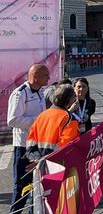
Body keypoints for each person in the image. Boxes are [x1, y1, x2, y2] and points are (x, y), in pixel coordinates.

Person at [7, 64, 49, 214]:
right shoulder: (20, 94)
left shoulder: (41, 92)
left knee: (36, 186)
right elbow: (12, 120)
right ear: (35, 76)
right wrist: (38, 120)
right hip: (24, 147)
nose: (49, 78)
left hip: (38, 146)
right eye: (46, 75)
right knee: (21, 187)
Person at [25, 84, 80, 160]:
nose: (75, 99)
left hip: (39, 163)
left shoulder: (42, 116)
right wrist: (46, 159)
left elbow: (31, 141)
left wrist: (37, 159)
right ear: (70, 99)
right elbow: (66, 145)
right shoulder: (69, 118)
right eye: (74, 96)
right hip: (59, 163)